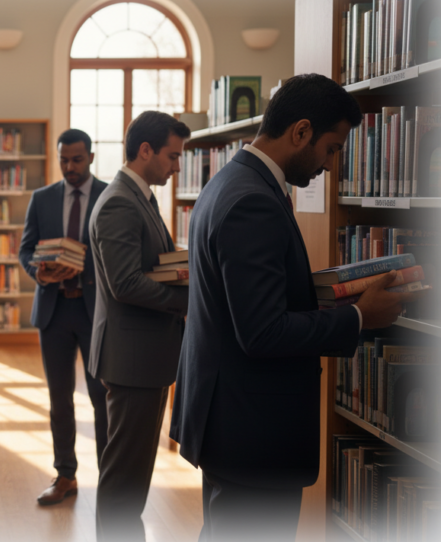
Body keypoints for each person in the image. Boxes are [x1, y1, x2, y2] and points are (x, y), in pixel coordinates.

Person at [169, 74, 418, 542]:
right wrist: (362, 316)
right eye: (330, 147)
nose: (330, 163)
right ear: (300, 131)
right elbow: (262, 332)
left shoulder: (233, 181)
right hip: (252, 430)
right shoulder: (253, 202)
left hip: (233, 421)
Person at [88, 111, 190, 541]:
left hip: (143, 356)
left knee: (132, 472)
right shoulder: (118, 202)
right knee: (124, 476)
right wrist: (187, 302)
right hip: (133, 359)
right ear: (144, 150)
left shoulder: (139, 196)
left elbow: (146, 268)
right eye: (172, 156)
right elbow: (125, 283)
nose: (177, 166)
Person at [18, 128, 109, 505]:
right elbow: (25, 250)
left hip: (95, 313)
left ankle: (110, 478)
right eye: (64, 160)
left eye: (76, 159)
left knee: (101, 397)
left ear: (90, 156)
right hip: (54, 311)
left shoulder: (108, 196)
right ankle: (65, 475)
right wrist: (39, 271)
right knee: (59, 399)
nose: (69, 167)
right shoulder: (42, 198)